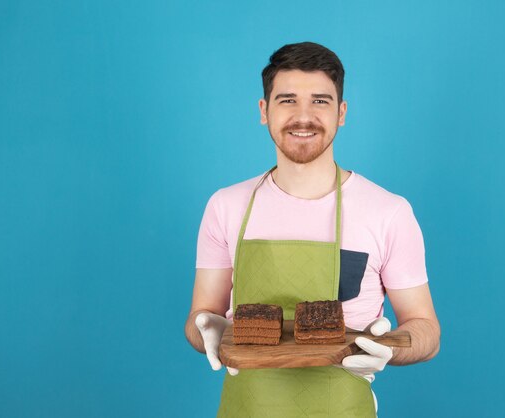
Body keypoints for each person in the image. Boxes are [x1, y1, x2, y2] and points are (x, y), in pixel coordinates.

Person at [184, 41, 440, 417]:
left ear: (341, 113)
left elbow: (426, 330)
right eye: (287, 99)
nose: (303, 116)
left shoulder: (389, 212)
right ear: (263, 110)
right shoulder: (225, 206)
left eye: (320, 101)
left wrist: (389, 349)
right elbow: (201, 315)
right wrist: (208, 330)